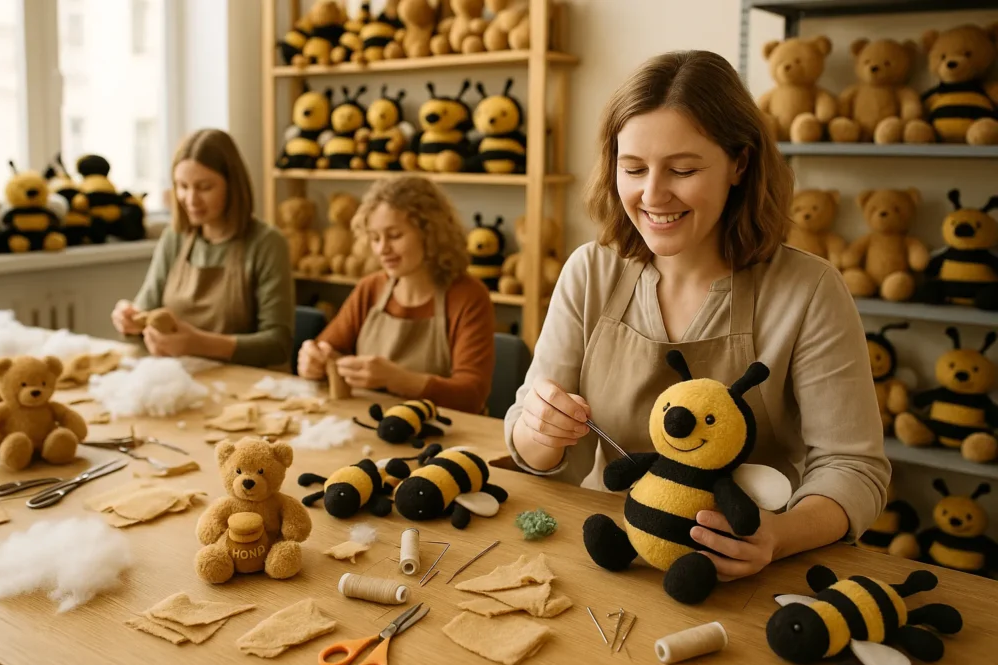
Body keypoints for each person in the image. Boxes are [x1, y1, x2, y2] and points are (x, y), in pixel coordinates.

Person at [504, 51, 889, 584]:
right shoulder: (590, 271)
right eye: (633, 169)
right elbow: (529, 446)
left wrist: (777, 537)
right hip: (608, 559)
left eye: (683, 170)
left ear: (740, 164)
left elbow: (854, 469)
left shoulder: (809, 290)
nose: (652, 195)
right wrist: (541, 429)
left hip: (743, 573)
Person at [296, 176, 496, 415]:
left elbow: (471, 397)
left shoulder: (468, 296)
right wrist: (312, 361)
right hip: (371, 423)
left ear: (430, 234)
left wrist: (397, 379)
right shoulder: (370, 288)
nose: (382, 249)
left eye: (394, 235)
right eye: (375, 238)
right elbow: (326, 349)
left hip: (445, 431)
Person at [110, 129, 294, 369]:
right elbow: (146, 310)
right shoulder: (174, 238)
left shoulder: (267, 243)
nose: (191, 199)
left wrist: (198, 344)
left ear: (232, 186)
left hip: (247, 382)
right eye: (182, 186)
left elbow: (278, 345)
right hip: (181, 376)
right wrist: (130, 319)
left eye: (204, 187)